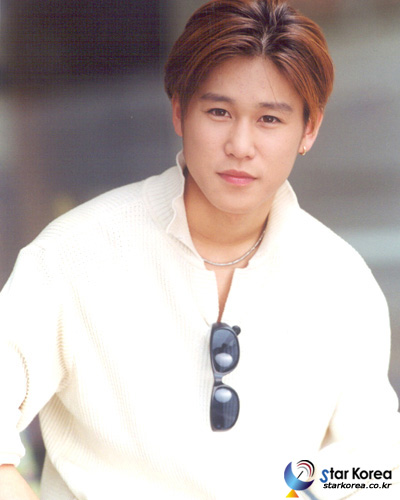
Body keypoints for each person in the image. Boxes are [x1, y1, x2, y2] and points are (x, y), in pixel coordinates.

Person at [0, 0, 399, 498]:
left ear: (309, 129)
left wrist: (305, 489)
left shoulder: (340, 281)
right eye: (218, 112)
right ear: (178, 112)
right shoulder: (75, 254)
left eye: (269, 119)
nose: (240, 145)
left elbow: (374, 470)